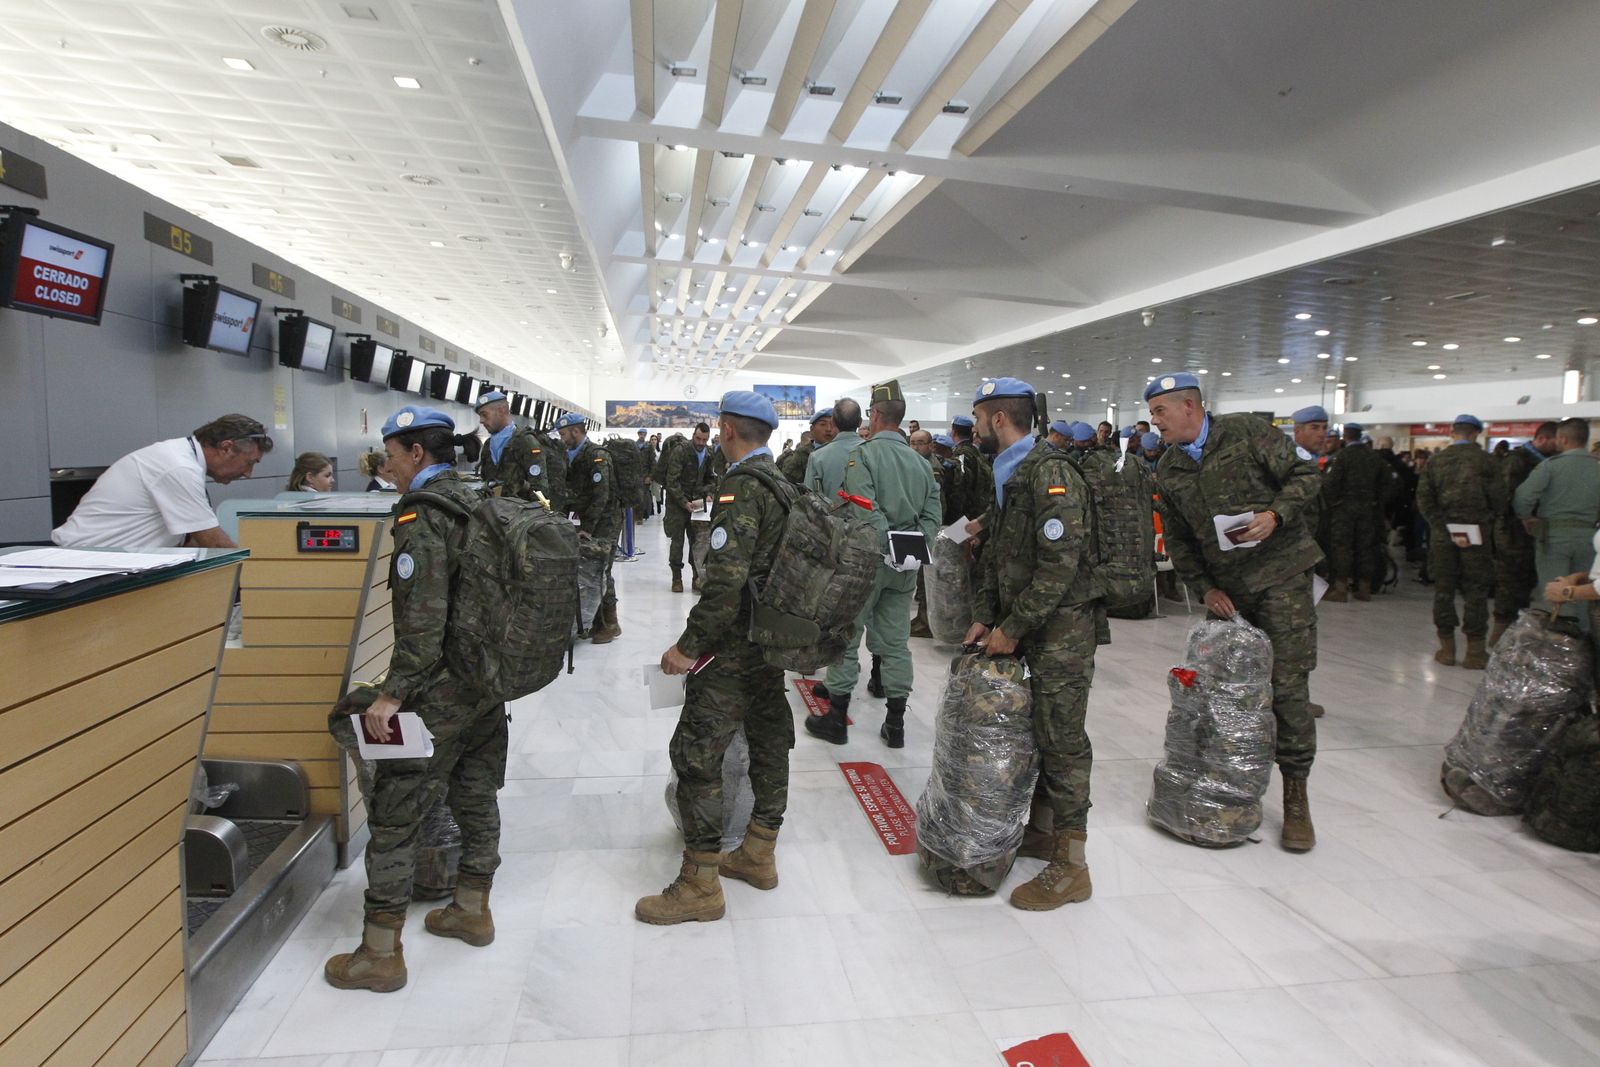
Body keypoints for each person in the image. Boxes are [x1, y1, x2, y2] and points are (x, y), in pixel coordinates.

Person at [323, 406, 507, 993]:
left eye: (391, 455)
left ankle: (380, 953)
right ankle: (472, 909)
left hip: (440, 692)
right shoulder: (484, 499)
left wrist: (392, 694)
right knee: (476, 797)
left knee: (396, 815)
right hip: (489, 684)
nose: (387, 466)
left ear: (416, 453)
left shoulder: (423, 516)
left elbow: (423, 622)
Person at [1146, 373, 1323, 851]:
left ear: (1189, 406)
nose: (1154, 420)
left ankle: (1296, 797)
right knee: (1225, 697)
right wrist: (1203, 587)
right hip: (1229, 593)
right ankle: (1232, 790)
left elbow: (1307, 475)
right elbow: (1180, 538)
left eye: (1160, 411)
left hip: (1282, 577)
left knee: (1287, 688)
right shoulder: (1169, 466)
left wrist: (1276, 515)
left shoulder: (1246, 432)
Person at [636, 391, 794, 924]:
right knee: (771, 740)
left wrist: (687, 648)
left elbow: (724, 585)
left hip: (733, 650)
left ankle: (700, 883)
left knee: (697, 754)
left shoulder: (741, 490)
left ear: (727, 429)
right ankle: (759, 852)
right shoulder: (782, 484)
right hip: (771, 643)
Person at [959, 376, 1099, 910]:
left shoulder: (1052, 473)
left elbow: (1058, 567)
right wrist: (983, 616)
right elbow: (998, 552)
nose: (972, 428)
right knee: (1035, 731)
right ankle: (1043, 833)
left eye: (976, 418)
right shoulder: (1007, 470)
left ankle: (1073, 866)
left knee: (1062, 740)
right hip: (1025, 622)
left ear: (998, 418)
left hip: (1062, 629)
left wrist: (1012, 627)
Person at [804, 381, 942, 748]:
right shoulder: (922, 463)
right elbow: (932, 515)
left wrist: (885, 546)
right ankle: (895, 724)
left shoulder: (862, 457)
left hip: (868, 563)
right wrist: (913, 547)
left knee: (847, 636)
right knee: (896, 644)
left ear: (876, 415)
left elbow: (865, 507)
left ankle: (836, 719)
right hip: (907, 563)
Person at [53, 413, 273, 549]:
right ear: (226, 447)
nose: (248, 474)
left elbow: (193, 541)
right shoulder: (179, 467)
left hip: (107, 562)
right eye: (249, 462)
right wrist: (265, 577)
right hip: (86, 565)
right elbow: (213, 542)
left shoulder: (182, 458)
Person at [1416, 414, 1505, 669]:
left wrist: (1440, 524)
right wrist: (1485, 519)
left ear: (1453, 432)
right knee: (1475, 590)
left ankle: (1447, 649)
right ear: (1476, 433)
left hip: (1443, 534)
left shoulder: (1436, 461)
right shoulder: (1488, 462)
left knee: (1444, 589)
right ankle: (1475, 652)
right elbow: (1499, 498)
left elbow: (1423, 498)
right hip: (1477, 533)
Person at [1513, 417, 1600, 626]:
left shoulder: (1549, 466)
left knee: (1556, 594)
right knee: (1584, 592)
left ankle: (1564, 648)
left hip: (1553, 537)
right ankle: (1586, 645)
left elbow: (1523, 497)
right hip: (1590, 539)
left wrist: (1526, 517)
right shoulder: (1597, 467)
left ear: (1562, 438)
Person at [557, 412, 622, 643]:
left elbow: (601, 495)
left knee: (602, 568)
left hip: (606, 521)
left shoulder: (597, 456)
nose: (562, 438)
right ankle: (593, 621)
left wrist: (587, 527)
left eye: (564, 434)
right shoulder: (569, 455)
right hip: (585, 519)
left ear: (576, 431)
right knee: (588, 570)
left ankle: (611, 624)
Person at [1493, 422, 1558, 643]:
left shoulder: (1547, 461)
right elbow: (1505, 495)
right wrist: (1522, 516)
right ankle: (1501, 633)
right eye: (1555, 441)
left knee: (1526, 582)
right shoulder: (1518, 460)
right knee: (1510, 581)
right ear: (1543, 438)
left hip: (1532, 533)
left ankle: (1516, 631)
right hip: (1513, 532)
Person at [1323, 422, 1392, 602]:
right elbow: (1388, 484)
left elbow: (1331, 484)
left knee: (1341, 547)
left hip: (1344, 510)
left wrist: (1333, 503)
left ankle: (1340, 589)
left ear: (1345, 435)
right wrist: (1377, 501)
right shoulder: (1375, 457)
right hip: (1368, 510)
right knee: (1365, 547)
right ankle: (1364, 589)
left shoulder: (1342, 456)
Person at [663, 422, 714, 593]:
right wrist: (684, 502)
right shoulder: (681, 451)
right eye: (698, 438)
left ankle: (696, 577)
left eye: (704, 440)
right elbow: (672, 481)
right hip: (678, 504)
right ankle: (676, 578)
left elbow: (711, 479)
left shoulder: (709, 453)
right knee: (677, 541)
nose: (700, 443)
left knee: (697, 542)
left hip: (698, 503)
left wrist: (708, 493)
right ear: (693, 435)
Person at [474, 390, 549, 504]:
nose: (481, 421)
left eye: (484, 414)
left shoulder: (526, 442)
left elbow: (539, 489)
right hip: (493, 513)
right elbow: (486, 481)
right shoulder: (488, 445)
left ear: (501, 411)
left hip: (519, 515)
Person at [946, 414, 995, 526]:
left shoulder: (961, 454)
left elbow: (960, 487)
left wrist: (952, 519)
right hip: (979, 512)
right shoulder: (977, 452)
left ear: (953, 433)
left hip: (965, 516)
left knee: (954, 542)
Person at [778, 407, 835, 484]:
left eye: (833, 424)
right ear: (812, 429)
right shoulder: (801, 455)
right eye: (823, 424)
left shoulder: (844, 452)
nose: (828, 429)